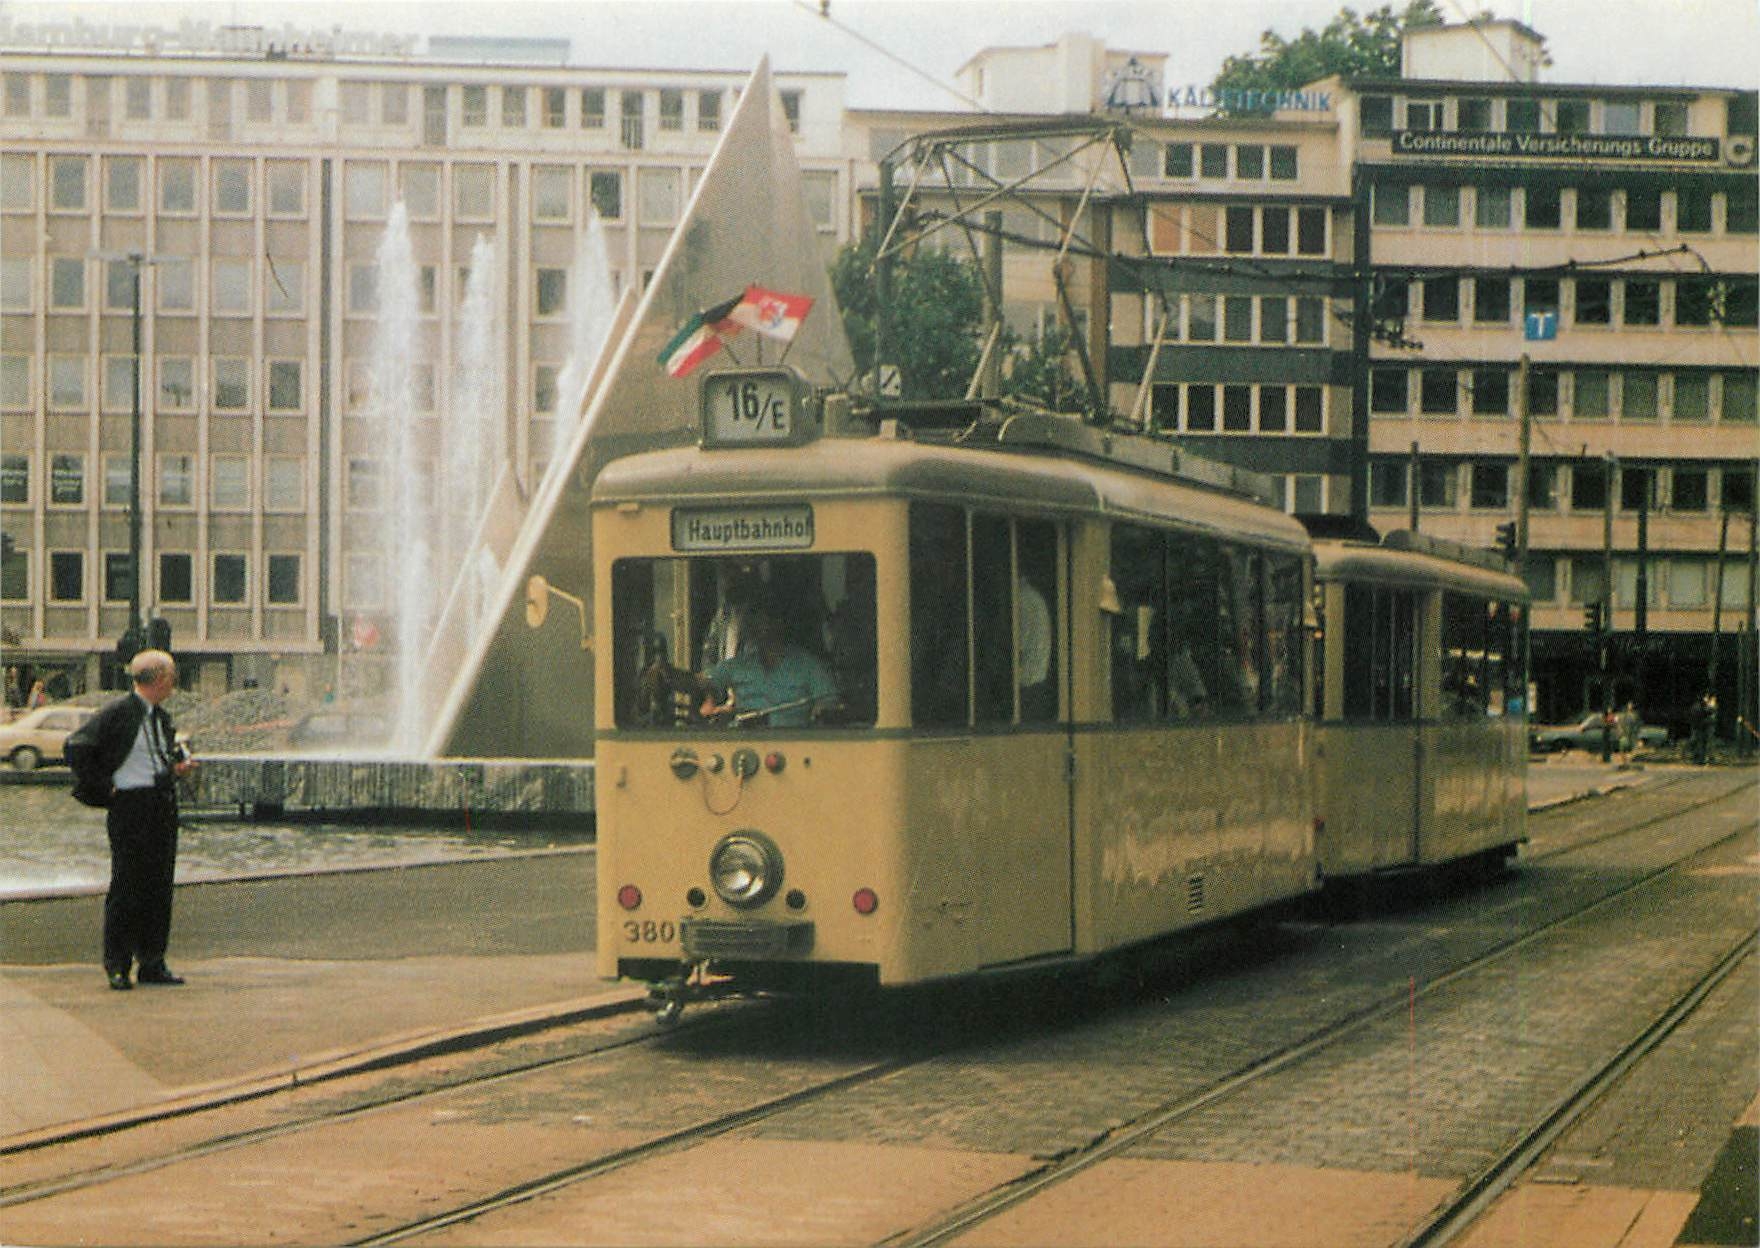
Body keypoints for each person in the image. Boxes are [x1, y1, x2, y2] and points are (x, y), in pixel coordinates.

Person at [64, 650, 198, 991]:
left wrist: (175, 769)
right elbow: (76, 746)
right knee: (127, 885)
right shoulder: (119, 713)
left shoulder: (161, 718)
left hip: (160, 803)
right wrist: (103, 788)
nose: (173, 683)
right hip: (130, 805)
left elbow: (156, 758)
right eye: (170, 676)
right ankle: (118, 964)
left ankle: (152, 961)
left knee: (159, 884)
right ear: (157, 679)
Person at [698, 605, 838, 728]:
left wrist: (818, 715)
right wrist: (710, 700)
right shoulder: (740, 664)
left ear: (781, 624)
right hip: (746, 743)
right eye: (757, 622)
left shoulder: (808, 666)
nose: (761, 627)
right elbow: (704, 682)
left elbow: (827, 702)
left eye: (767, 621)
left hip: (795, 744)